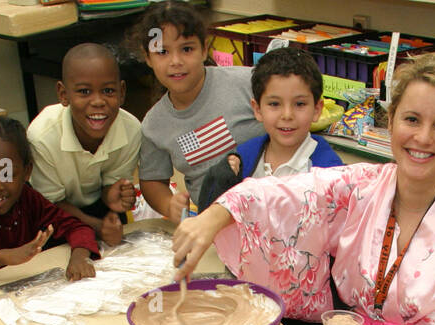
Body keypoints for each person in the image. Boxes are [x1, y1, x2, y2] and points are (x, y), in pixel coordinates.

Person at [173, 54, 435, 325]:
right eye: (412, 120)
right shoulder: (361, 186)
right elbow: (289, 196)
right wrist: (215, 216)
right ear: (391, 121)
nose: (424, 138)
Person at [131, 1, 261, 222]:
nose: (176, 61)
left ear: (204, 48)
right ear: (147, 57)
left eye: (187, 49)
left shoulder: (248, 82)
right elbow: (153, 180)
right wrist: (167, 204)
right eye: (162, 52)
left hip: (269, 207)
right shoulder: (154, 124)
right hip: (212, 224)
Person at [0, 117, 99, 280]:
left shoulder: (28, 200)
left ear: (27, 171)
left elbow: (77, 227)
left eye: (7, 174)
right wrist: (4, 256)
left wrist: (80, 257)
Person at [27, 43, 141, 248]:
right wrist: (96, 226)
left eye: (108, 90)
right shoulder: (42, 137)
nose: (98, 101)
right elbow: (50, 205)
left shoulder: (132, 129)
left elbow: (110, 188)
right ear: (63, 94)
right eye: (84, 91)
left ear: (122, 92)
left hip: (100, 210)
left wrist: (114, 196)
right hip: (55, 215)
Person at [233, 47, 343, 181]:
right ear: (257, 110)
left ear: (317, 110)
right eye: (274, 104)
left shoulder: (330, 172)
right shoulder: (241, 158)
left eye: (300, 104)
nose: (287, 115)